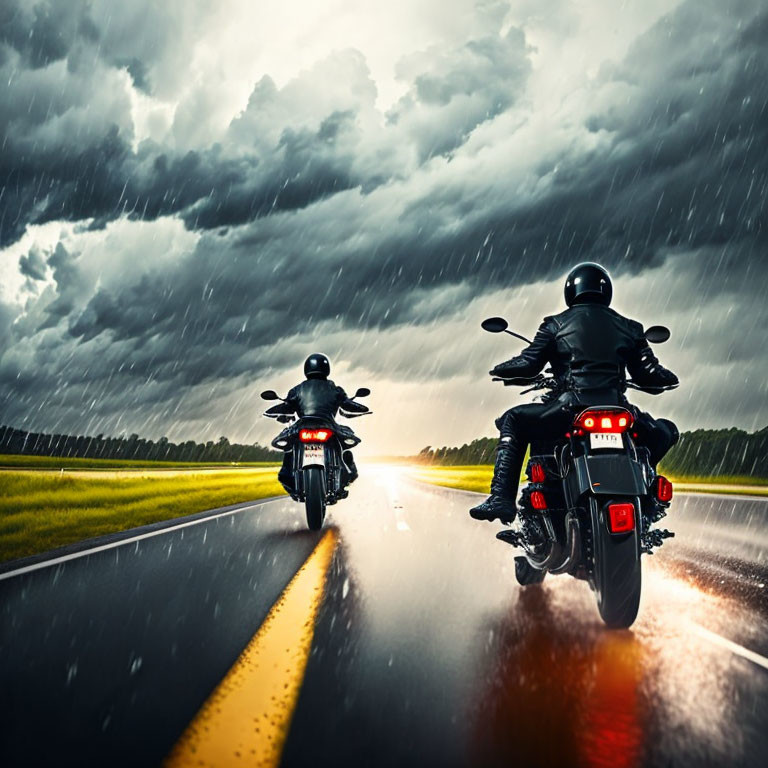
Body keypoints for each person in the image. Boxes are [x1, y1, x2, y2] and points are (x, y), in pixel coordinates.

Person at [470, 262, 679, 523]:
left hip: (569, 409)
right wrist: (669, 378)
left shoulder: (554, 325)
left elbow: (529, 364)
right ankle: (648, 500)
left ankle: (501, 498)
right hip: (619, 410)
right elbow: (649, 373)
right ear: (606, 292)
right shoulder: (631, 328)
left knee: (513, 419)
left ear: (571, 291)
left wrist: (501, 369)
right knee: (665, 430)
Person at [265, 353, 368, 495]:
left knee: (288, 452)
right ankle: (346, 474)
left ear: (307, 369)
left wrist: (273, 411)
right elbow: (347, 404)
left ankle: (294, 481)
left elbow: (287, 406)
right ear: (326, 369)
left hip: (302, 427)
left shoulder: (297, 389)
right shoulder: (335, 389)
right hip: (328, 426)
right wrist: (362, 408)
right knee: (345, 446)